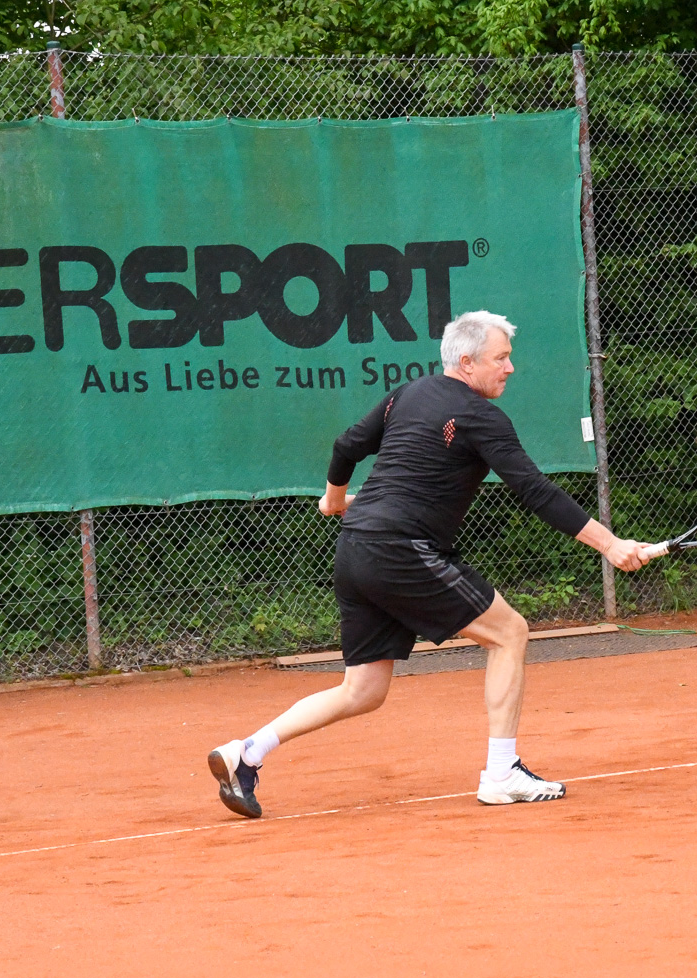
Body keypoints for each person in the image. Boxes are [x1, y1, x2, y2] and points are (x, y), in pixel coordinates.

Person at [208, 310, 648, 817]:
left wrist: (333, 500)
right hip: (401, 548)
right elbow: (533, 490)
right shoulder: (481, 417)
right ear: (467, 361)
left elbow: (347, 445)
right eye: (500, 358)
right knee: (509, 633)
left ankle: (247, 753)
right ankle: (502, 773)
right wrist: (609, 544)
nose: (510, 368)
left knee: (363, 689)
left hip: (356, 547)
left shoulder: (409, 394)